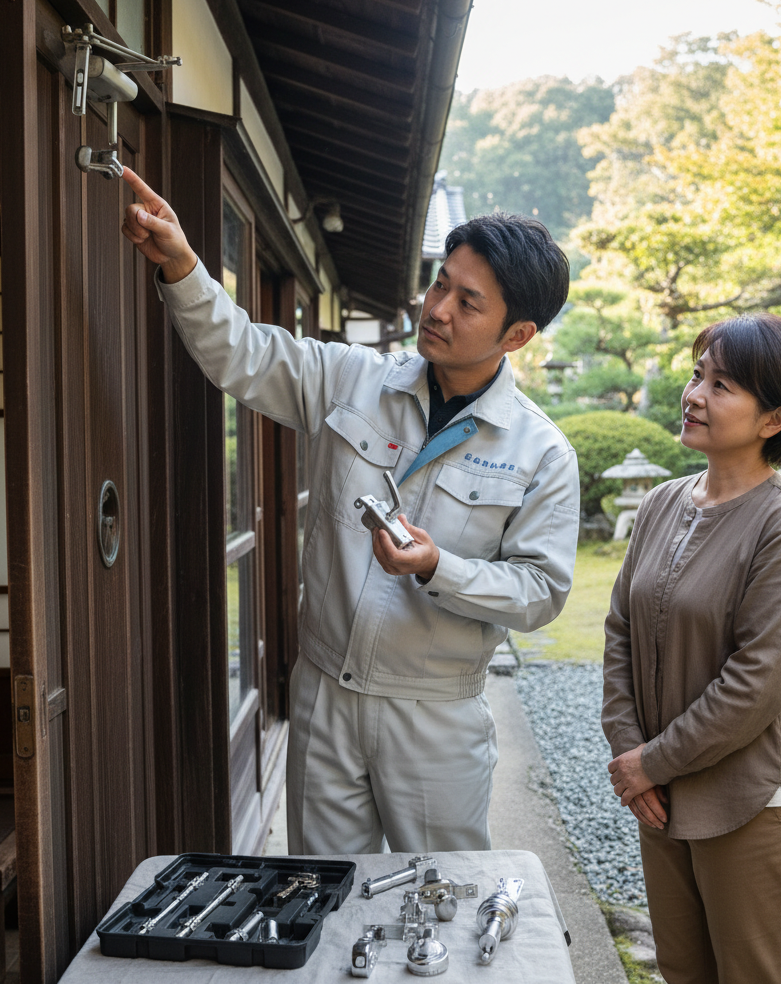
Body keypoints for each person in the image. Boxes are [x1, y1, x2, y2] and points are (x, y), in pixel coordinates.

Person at [120, 167, 580, 855]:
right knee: (323, 900)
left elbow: (540, 592)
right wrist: (185, 266)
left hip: (437, 713)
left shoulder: (542, 453)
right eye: (440, 284)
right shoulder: (353, 378)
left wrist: (439, 568)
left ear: (516, 336)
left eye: (468, 301)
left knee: (442, 903)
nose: (438, 308)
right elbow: (244, 354)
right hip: (324, 693)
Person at [602, 313, 781, 984]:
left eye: (722, 384)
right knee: (681, 970)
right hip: (657, 789)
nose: (694, 394)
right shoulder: (663, 503)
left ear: (773, 420)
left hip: (749, 800)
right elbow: (619, 627)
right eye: (697, 374)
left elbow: (755, 685)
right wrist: (629, 752)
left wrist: (652, 761)